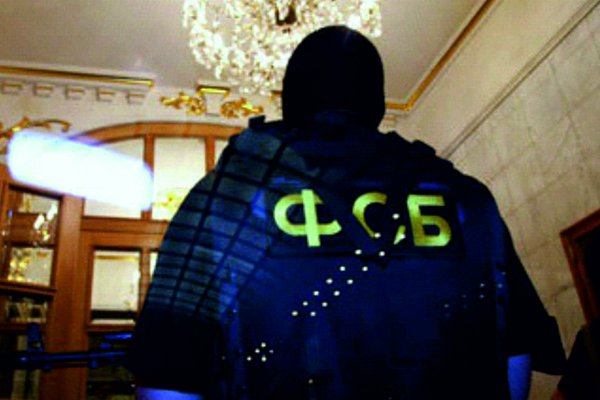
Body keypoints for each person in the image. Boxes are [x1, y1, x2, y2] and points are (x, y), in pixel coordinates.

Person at [130, 26, 565, 399]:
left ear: (290, 98)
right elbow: (513, 356)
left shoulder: (223, 196)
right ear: (377, 101)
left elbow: (167, 375)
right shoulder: (464, 195)